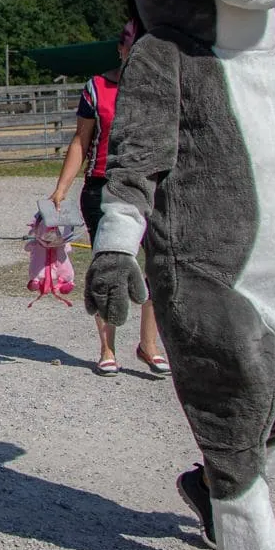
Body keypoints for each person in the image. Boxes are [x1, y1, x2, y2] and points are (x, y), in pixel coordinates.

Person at [50, 21, 169, 377]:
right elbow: (80, 142)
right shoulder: (97, 87)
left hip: (151, 186)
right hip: (103, 187)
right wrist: (60, 190)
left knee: (155, 266)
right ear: (120, 49)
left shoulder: (163, 90)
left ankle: (149, 345)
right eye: (133, 43)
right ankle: (107, 347)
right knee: (109, 266)